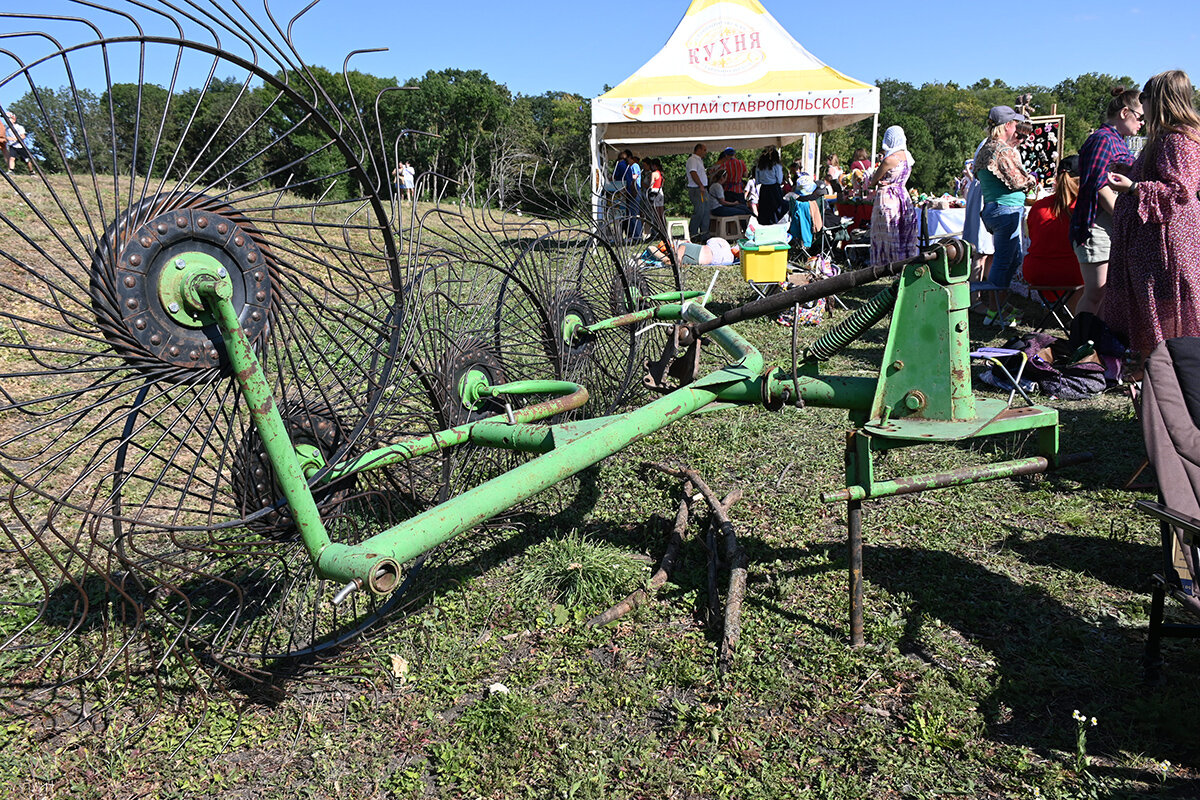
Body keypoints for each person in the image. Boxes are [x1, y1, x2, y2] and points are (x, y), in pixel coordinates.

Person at [1104, 70, 1200, 359]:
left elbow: (1179, 191)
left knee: (1165, 307)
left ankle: (1170, 372)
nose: (1141, 107)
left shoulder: (1178, 139)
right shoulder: (1167, 138)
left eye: (1143, 98)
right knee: (1157, 307)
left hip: (1165, 244)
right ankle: (1159, 368)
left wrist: (1133, 187)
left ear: (1158, 100)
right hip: (1154, 244)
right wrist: (1132, 174)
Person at [1070, 87, 1142, 317]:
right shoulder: (1103, 139)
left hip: (1107, 224)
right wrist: (1123, 215)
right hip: (1097, 226)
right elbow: (1098, 185)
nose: (1143, 123)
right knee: (1095, 293)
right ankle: (1081, 344)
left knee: (1105, 294)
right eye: (1139, 117)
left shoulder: (1116, 140)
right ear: (1124, 112)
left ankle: (1096, 345)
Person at [974, 105, 1039, 326]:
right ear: (1008, 125)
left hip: (994, 209)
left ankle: (999, 306)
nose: (1017, 129)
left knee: (1013, 259)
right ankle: (994, 313)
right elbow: (1018, 181)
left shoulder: (985, 149)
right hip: (1005, 210)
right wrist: (1032, 179)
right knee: (1004, 262)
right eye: (1015, 124)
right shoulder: (1002, 150)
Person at [1022, 155, 1084, 306]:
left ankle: (1058, 311)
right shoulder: (1083, 207)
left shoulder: (1038, 206)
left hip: (1036, 271)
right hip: (1071, 272)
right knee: (1093, 270)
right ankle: (1076, 318)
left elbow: (1031, 235)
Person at [866, 125, 918, 269]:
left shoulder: (889, 159)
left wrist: (871, 178)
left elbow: (873, 181)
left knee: (887, 234)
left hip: (888, 198)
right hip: (903, 195)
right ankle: (904, 264)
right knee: (902, 231)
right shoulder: (908, 157)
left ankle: (885, 266)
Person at [647, 237, 739, 267]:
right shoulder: (723, 243)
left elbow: (672, 263)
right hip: (717, 252)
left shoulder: (683, 248)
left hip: (694, 252)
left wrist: (665, 258)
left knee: (670, 261)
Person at [753, 145, 785, 224]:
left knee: (764, 210)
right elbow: (779, 180)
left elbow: (757, 180)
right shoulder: (776, 166)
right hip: (774, 189)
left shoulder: (759, 167)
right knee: (776, 210)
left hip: (764, 189)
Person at [686, 143, 709, 240]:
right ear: (698, 150)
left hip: (702, 188)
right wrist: (700, 185)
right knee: (699, 211)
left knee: (706, 211)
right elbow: (693, 172)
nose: (705, 152)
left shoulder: (699, 161)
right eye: (704, 150)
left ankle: (704, 235)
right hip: (696, 189)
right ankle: (693, 234)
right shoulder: (692, 160)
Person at [648, 158, 666, 232]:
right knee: (661, 212)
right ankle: (664, 228)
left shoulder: (654, 173)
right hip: (660, 191)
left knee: (656, 213)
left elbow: (651, 184)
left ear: (654, 166)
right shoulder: (661, 173)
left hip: (654, 191)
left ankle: (658, 229)